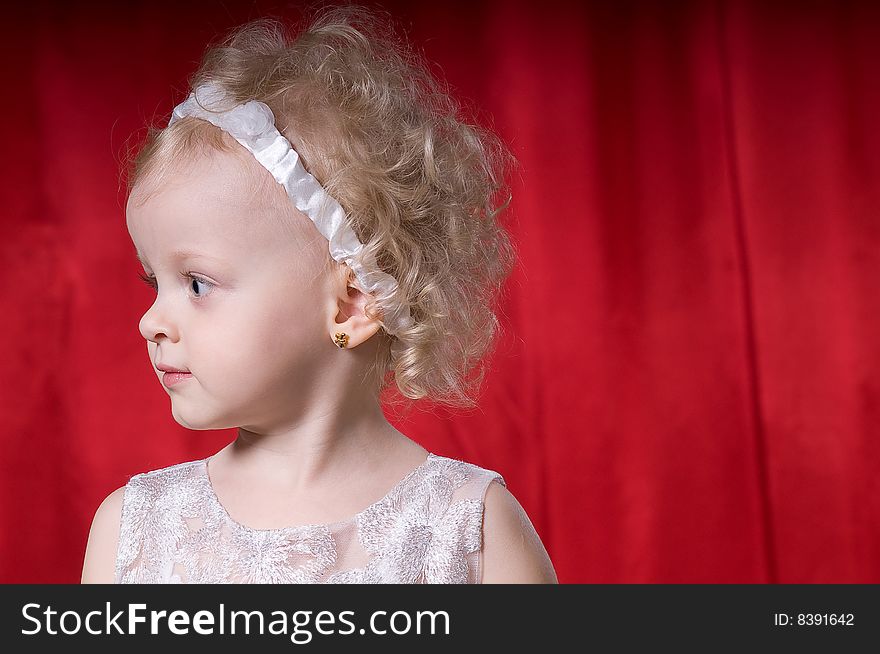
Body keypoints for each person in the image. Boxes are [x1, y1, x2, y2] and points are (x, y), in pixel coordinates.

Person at [81, 4, 556, 584]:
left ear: (353, 302)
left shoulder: (471, 530)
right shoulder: (135, 528)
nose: (149, 322)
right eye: (155, 283)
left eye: (198, 283)